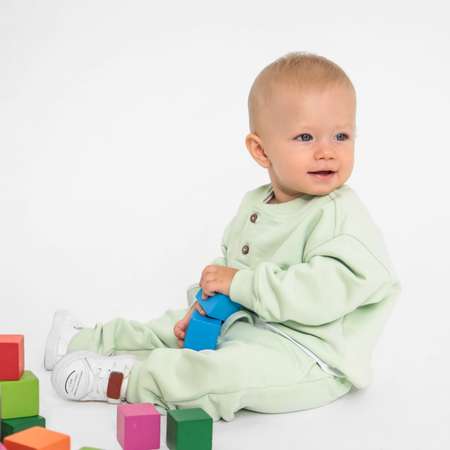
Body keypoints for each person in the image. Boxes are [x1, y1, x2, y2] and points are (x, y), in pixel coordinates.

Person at [44, 51, 402, 422]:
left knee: (225, 375)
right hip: (249, 320)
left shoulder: (342, 217)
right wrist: (206, 303)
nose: (327, 151)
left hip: (307, 355)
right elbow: (234, 266)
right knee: (171, 326)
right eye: (305, 137)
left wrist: (239, 284)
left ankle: (125, 381)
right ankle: (82, 341)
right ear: (261, 150)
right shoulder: (256, 203)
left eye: (341, 135)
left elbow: (321, 294)